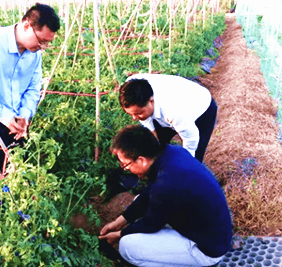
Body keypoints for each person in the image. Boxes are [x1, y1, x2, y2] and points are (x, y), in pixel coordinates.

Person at [99, 125, 232, 267]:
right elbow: (148, 193)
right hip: (214, 233)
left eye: (126, 165)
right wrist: (119, 221)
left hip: (206, 251)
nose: (127, 170)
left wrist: (119, 234)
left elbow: (151, 223)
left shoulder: (167, 184)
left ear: (141, 160)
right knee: (141, 201)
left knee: (127, 246)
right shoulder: (171, 152)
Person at [0, 3, 60, 168]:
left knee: (17, 166)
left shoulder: (34, 53)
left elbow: (33, 87)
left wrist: (25, 115)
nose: (43, 47)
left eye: (47, 43)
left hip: (16, 117)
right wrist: (4, 116)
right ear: (26, 26)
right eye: (41, 41)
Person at [119, 73, 218, 163]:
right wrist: (153, 132)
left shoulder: (172, 109)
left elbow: (191, 138)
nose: (134, 118)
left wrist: (187, 163)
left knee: (194, 158)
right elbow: (145, 120)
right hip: (171, 107)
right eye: (131, 114)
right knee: (157, 146)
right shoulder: (131, 86)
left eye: (138, 113)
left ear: (151, 101)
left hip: (202, 108)